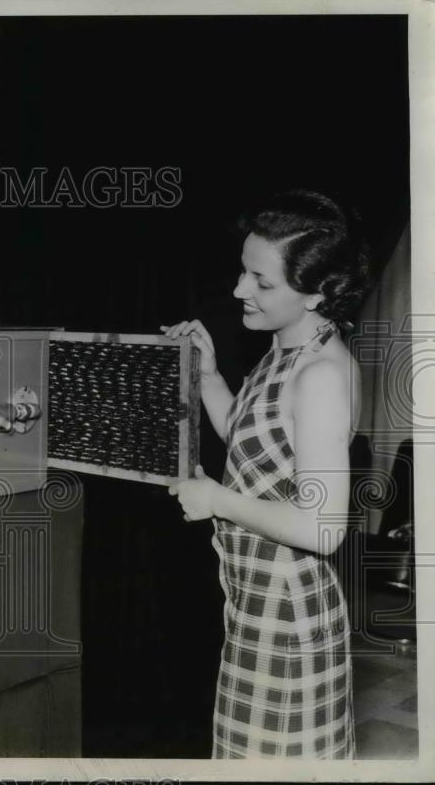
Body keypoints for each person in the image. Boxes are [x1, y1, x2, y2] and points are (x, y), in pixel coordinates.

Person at [162, 189, 370, 759]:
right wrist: (207, 377)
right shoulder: (285, 351)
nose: (238, 290)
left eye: (261, 281)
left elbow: (324, 527)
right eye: (242, 272)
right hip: (256, 612)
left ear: (319, 292)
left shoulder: (322, 375)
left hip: (291, 628)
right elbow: (256, 447)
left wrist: (217, 500)